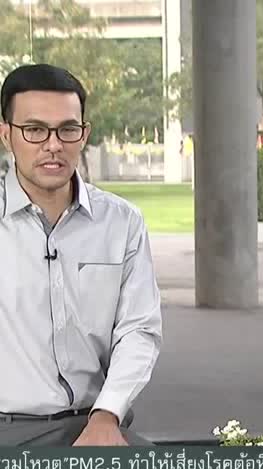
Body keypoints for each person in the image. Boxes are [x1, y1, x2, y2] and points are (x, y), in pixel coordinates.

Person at [0, 64, 162, 446]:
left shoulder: (121, 222)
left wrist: (107, 414)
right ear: (6, 134)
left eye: (67, 129)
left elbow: (139, 330)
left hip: (95, 424)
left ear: (84, 134)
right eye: (35, 130)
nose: (53, 145)